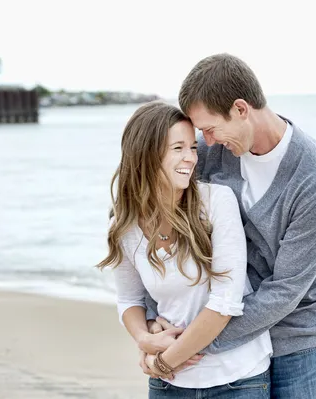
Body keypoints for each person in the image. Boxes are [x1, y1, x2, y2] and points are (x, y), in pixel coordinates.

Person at [146, 53, 316, 398]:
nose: (205, 140)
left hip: (301, 343)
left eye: (210, 128)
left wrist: (192, 343)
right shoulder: (214, 153)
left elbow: (286, 288)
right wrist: (155, 321)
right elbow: (165, 226)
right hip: (237, 347)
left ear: (241, 109)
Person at [96, 100, 273, 398]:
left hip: (238, 379)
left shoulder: (217, 201)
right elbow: (129, 299)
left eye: (192, 147)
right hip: (169, 385)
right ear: (146, 155)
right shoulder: (125, 226)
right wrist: (144, 338)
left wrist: (164, 361)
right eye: (178, 148)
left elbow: (225, 303)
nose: (191, 158)